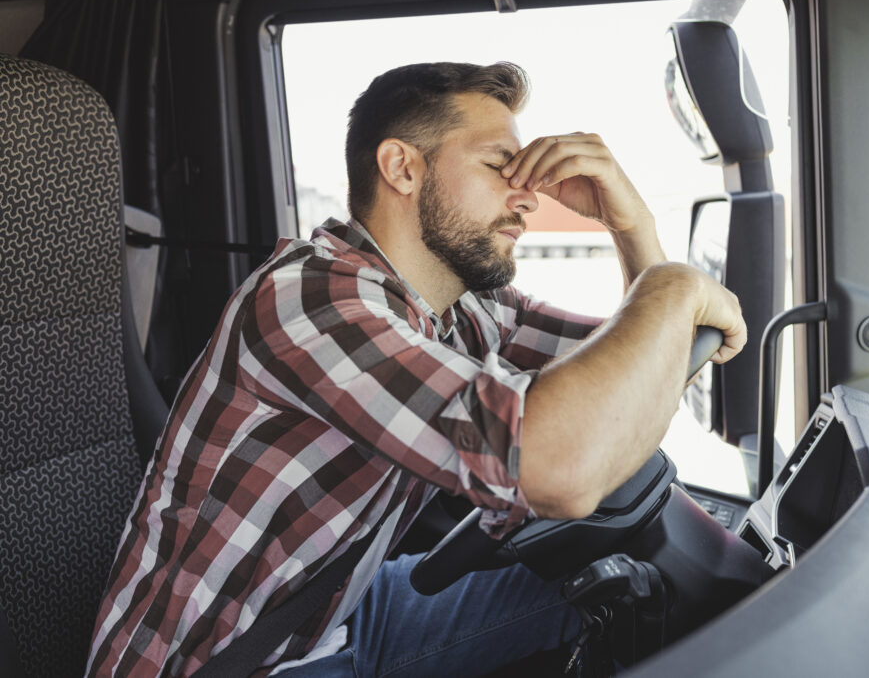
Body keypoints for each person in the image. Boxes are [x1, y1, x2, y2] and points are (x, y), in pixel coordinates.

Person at [87, 61, 745, 677]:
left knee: (627, 583)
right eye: (500, 165)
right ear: (402, 167)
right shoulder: (312, 300)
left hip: (340, 610)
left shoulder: (465, 308)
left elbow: (633, 378)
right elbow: (560, 467)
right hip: (236, 659)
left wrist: (631, 222)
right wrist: (672, 289)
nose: (527, 197)